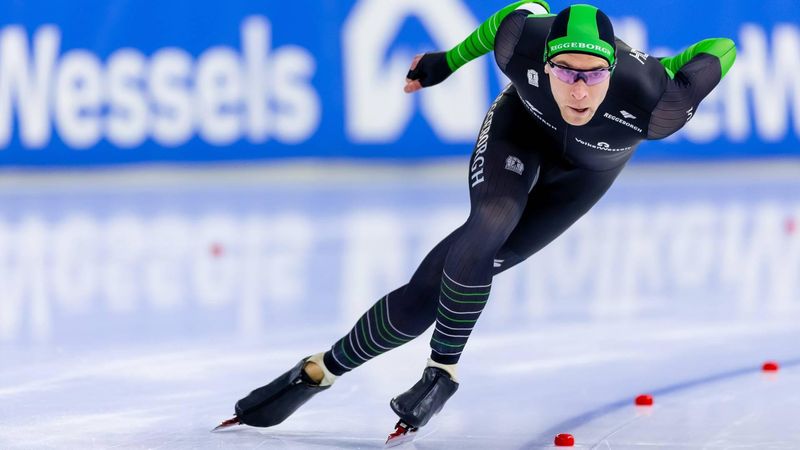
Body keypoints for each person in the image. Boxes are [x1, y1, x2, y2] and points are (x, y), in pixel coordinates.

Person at [216, 1, 737, 442]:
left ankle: (323, 370)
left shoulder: (656, 104)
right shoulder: (521, 43)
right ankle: (423, 371)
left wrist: (674, 67)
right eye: (564, 73)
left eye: (593, 75)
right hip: (519, 133)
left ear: (610, 72)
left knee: (430, 289)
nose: (578, 91)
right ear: (545, 64)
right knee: (487, 226)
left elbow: (723, 47)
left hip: (582, 179)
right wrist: (446, 61)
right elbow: (514, 12)